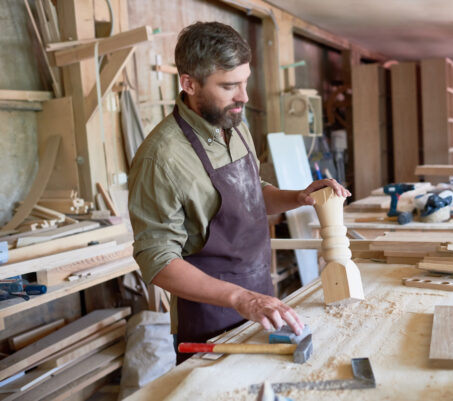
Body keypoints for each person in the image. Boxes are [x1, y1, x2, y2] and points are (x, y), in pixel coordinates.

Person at [128, 21, 350, 363]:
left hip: (260, 300)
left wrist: (298, 196)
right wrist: (240, 298)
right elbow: (157, 260)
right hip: (209, 319)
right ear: (189, 83)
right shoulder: (161, 158)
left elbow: (251, 193)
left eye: (245, 82)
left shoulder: (234, 125)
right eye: (229, 86)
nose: (244, 97)